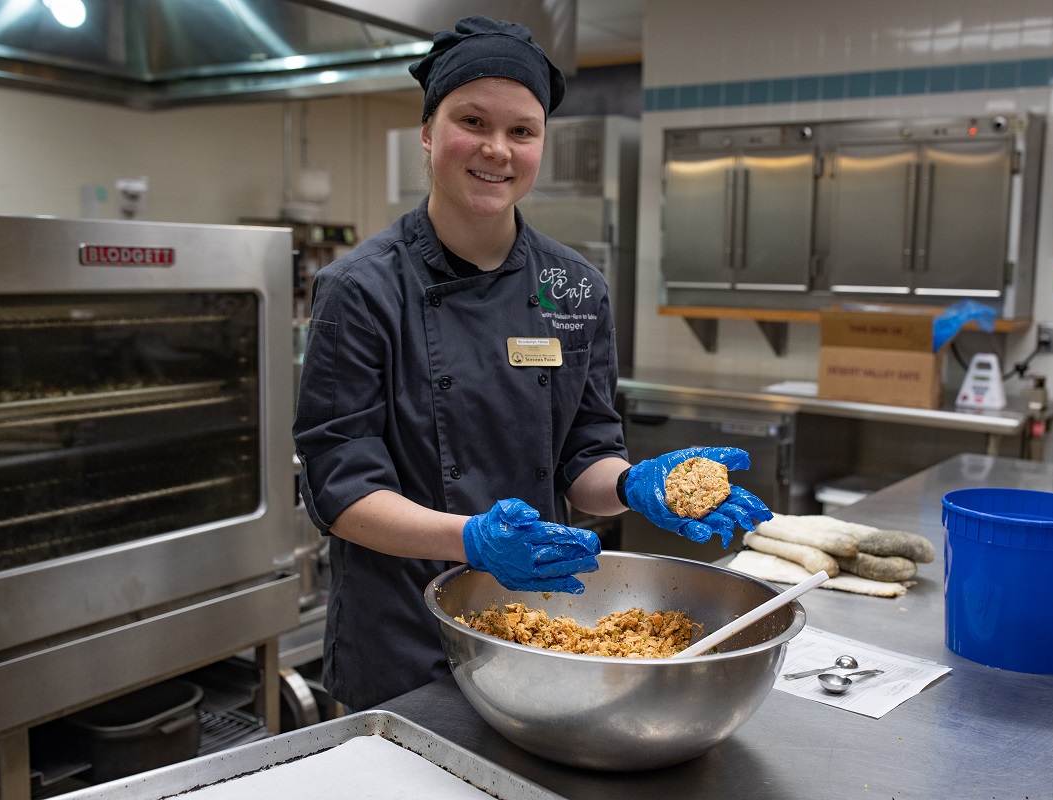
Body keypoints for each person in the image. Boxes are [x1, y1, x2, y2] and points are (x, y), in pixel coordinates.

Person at [293, 14, 772, 712]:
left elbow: (586, 463)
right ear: (428, 133)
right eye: (472, 121)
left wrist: (638, 483)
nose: (497, 149)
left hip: (535, 628)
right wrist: (473, 540)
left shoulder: (574, 286)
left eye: (522, 130)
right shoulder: (361, 289)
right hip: (400, 637)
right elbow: (341, 493)